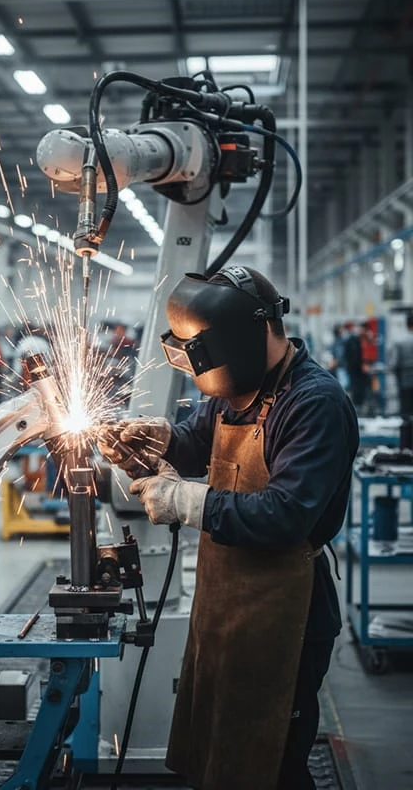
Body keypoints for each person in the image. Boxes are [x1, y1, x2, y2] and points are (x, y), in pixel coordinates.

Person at [99, 265, 358, 790]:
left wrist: (184, 500)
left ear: (258, 331)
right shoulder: (238, 387)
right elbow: (199, 442)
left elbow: (286, 516)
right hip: (225, 602)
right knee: (219, 750)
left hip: (287, 615)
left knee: (271, 764)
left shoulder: (314, 403)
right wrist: (161, 438)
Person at [389, 312, 413, 416]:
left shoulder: (399, 341)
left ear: (406, 324)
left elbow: (394, 363)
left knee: (406, 412)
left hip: (404, 381)